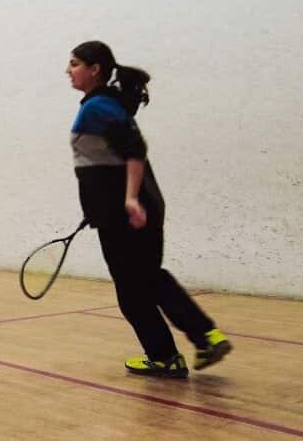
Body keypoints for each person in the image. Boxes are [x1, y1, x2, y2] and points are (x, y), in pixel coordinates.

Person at [66, 41, 231, 378]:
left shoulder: (98, 107)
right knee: (144, 280)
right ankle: (191, 344)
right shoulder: (106, 104)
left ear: (95, 69)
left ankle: (183, 348)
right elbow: (105, 165)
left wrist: (129, 199)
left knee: (137, 286)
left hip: (129, 212)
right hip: (128, 209)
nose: (68, 71)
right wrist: (100, 205)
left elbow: (135, 151)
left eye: (74, 64)